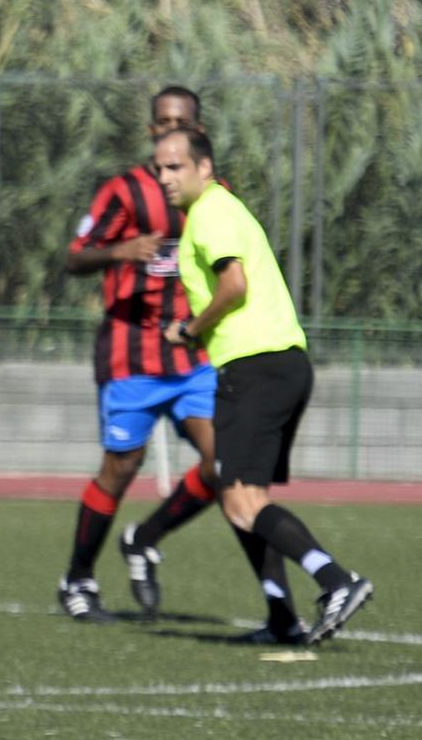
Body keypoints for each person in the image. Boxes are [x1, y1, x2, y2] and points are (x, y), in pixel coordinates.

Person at [154, 126, 374, 644]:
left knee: (240, 503)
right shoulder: (217, 211)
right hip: (280, 363)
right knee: (246, 499)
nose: (165, 177)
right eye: (159, 168)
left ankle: (336, 580)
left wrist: (190, 328)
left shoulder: (209, 212)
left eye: (175, 167)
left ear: (203, 168)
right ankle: (281, 619)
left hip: (253, 367)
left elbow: (234, 284)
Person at [57, 86, 223, 623]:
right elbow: (74, 259)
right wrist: (119, 252)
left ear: (198, 131)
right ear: (150, 130)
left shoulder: (214, 192)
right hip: (132, 355)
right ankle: (78, 579)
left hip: (190, 355)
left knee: (226, 464)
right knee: (121, 467)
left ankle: (145, 538)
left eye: (181, 121)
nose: (169, 128)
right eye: (161, 122)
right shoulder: (124, 191)